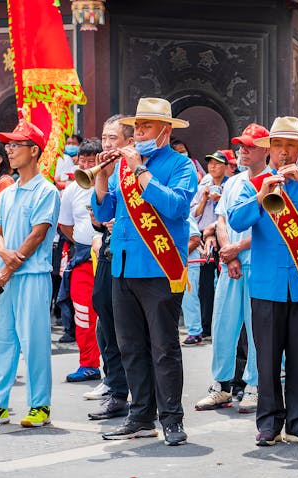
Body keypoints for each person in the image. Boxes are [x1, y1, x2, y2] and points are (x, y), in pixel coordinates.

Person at [93, 97, 196, 446]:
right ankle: (140, 415)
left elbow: (177, 206)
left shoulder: (180, 165)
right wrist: (102, 179)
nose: (138, 134)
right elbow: (104, 210)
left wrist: (140, 171)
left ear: (164, 132)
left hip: (159, 266)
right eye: (136, 128)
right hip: (122, 264)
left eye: (145, 127)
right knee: (131, 346)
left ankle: (171, 419)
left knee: (164, 347)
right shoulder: (123, 165)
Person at [228, 116, 298, 447]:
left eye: (292, 145)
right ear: (269, 149)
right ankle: (268, 422)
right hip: (265, 285)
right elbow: (236, 219)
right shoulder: (253, 184)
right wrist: (262, 195)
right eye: (279, 145)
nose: (285, 152)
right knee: (268, 358)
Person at [0, 120, 60, 428]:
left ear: (34, 151)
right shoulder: (8, 192)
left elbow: (38, 234)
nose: (9, 150)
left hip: (31, 276)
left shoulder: (47, 191)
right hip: (1, 276)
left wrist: (8, 267)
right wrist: (2, 258)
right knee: (0, 340)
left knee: (34, 342)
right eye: (8, 145)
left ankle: (39, 405)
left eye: (16, 145)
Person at [194, 123, 270, 414]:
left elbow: (272, 229)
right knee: (222, 325)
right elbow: (221, 220)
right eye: (241, 145)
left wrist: (237, 249)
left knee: (256, 330)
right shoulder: (234, 182)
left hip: (259, 265)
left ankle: (254, 385)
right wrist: (230, 254)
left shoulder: (273, 182)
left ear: (265, 150)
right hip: (231, 265)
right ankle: (221, 386)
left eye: (250, 146)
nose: (243, 150)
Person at [86, 115, 135, 420]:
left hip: (135, 257)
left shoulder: (137, 169)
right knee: (104, 317)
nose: (106, 144)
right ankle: (116, 388)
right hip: (108, 252)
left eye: (112, 138)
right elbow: (100, 213)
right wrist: (101, 178)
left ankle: (138, 392)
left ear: (129, 141)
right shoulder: (108, 171)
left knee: (130, 329)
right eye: (104, 137)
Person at [58, 139, 103, 383]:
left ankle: (119, 370)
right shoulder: (71, 189)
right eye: (82, 161)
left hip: (109, 254)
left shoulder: (112, 183)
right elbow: (65, 224)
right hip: (82, 256)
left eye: (91, 161)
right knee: (83, 312)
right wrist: (81, 241)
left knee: (114, 313)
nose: (86, 166)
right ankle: (88, 364)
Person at [189, 150, 229, 344]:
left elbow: (233, 211)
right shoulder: (202, 186)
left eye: (217, 163)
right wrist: (205, 198)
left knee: (225, 280)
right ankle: (206, 326)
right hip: (204, 237)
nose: (213, 166)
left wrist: (219, 199)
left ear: (226, 166)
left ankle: (224, 324)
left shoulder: (231, 185)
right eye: (210, 163)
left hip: (224, 237)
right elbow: (194, 214)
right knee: (205, 284)